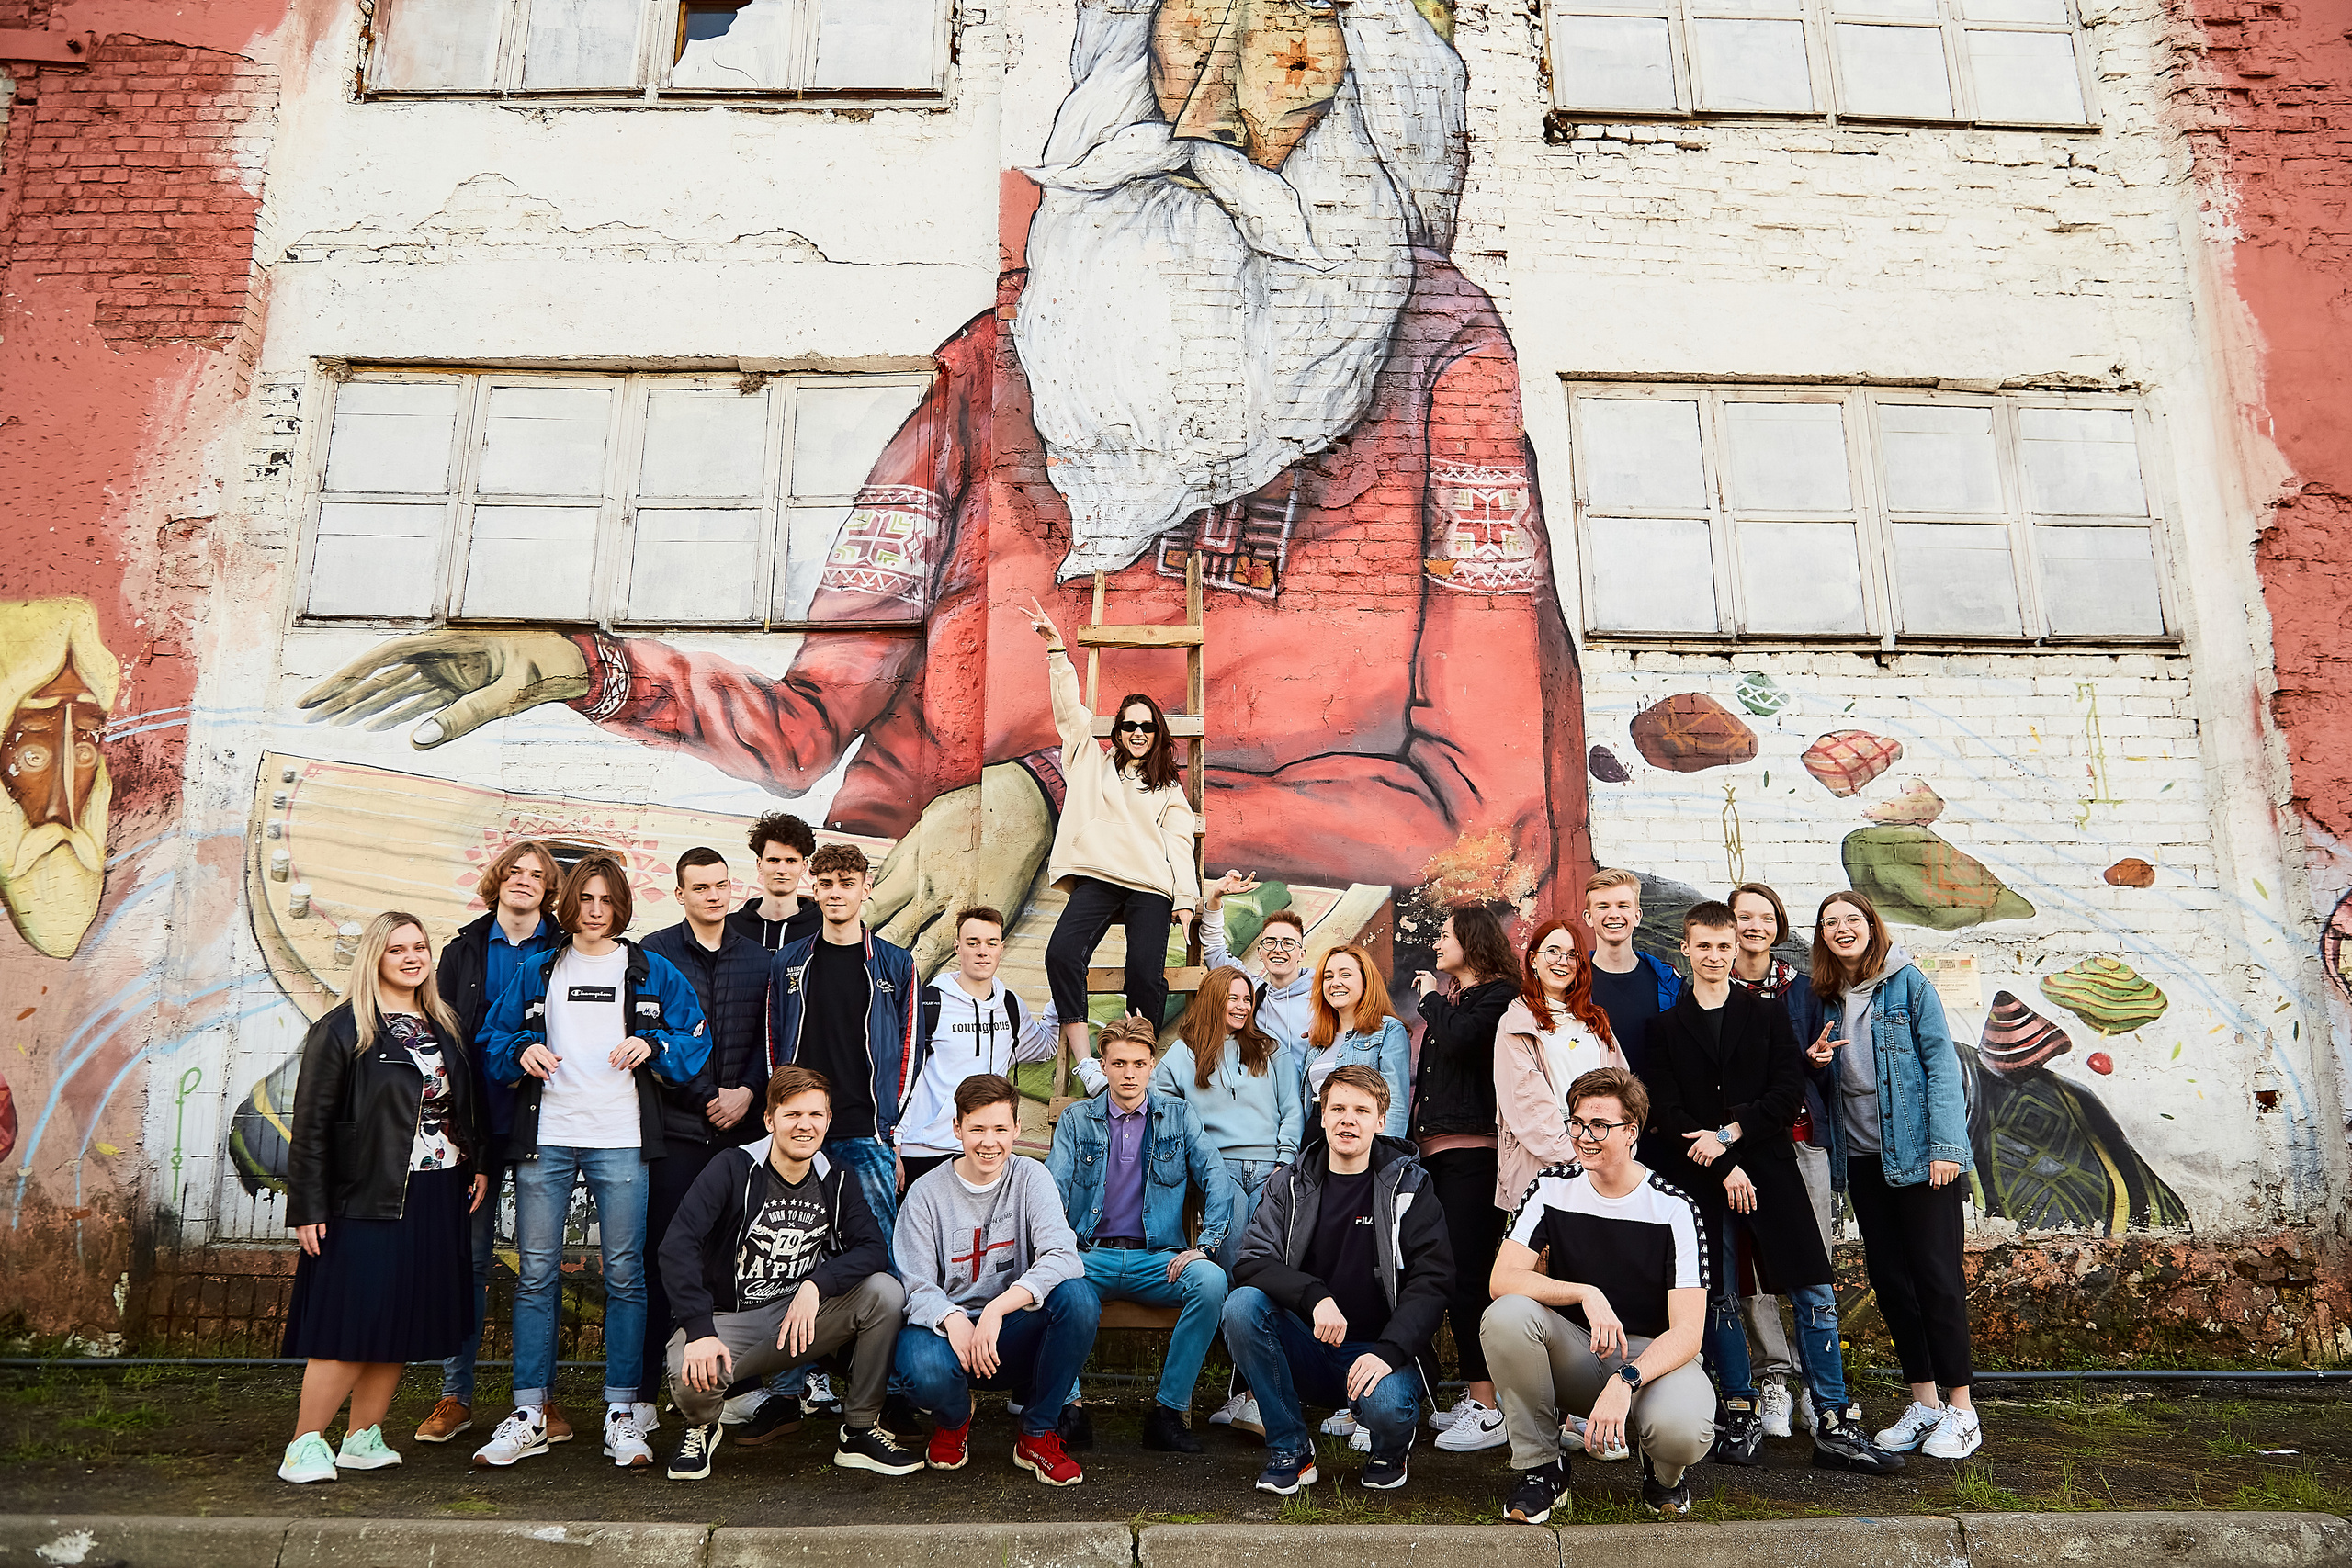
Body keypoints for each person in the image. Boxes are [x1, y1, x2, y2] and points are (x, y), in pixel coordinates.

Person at [474, 852, 711, 1472]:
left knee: (627, 1274)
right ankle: (530, 1411)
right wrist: (522, 1047)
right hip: (546, 1136)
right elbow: (492, 1042)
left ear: (622, 905)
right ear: (570, 903)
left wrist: (653, 1043)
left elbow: (695, 1042)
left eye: (607, 900)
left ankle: (621, 1413)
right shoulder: (537, 969)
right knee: (535, 1275)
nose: (596, 910)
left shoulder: (651, 971)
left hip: (622, 1138)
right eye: (586, 899)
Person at [1645, 902, 1899, 1475]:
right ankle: (1740, 1408)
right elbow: (1665, 1112)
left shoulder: (1766, 1016)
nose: (1714, 956)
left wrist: (1730, 1134)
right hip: (1704, 1178)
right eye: (1703, 946)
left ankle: (1834, 1419)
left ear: (1737, 949)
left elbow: (1787, 1094)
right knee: (1721, 1292)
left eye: (1724, 946)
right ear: (1685, 949)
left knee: (1812, 1286)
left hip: (1770, 1165)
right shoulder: (1662, 1030)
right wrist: (1720, 1166)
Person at [278, 912, 485, 1484]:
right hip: (366, 1197)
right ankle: (305, 1444)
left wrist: (479, 1161)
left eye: (420, 947)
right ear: (375, 957)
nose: (412, 957)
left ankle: (363, 1437)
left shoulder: (445, 1025)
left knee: (398, 1320)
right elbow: (313, 1124)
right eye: (397, 949)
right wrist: (308, 1207)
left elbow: (464, 1107)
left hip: (437, 1189)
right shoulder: (344, 1028)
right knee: (353, 1320)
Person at [657, 1065, 919, 1483]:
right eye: (793, 1114)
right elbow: (678, 1245)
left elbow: (871, 1249)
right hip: (732, 1319)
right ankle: (702, 1427)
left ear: (828, 1120)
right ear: (769, 1119)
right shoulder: (733, 1167)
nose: (805, 1126)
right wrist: (700, 1330)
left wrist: (818, 1284)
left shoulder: (836, 1178)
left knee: (885, 1292)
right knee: (686, 1373)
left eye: (815, 1115)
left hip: (803, 1317)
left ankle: (860, 1430)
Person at [1481, 1066, 1713, 1525]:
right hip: (1580, 1350)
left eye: (1600, 1126)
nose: (1585, 1136)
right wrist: (1584, 1293)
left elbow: (1689, 1333)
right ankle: (1541, 1469)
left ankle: (1663, 1477)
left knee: (1683, 1431)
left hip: (1652, 1360)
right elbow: (1501, 1279)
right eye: (1577, 1123)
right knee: (1507, 1315)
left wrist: (1626, 1379)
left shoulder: (1675, 1208)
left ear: (1631, 1133)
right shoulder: (1550, 1188)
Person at [1807, 890, 1983, 1461]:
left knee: (1936, 1279)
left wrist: (1946, 1149)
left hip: (1922, 1159)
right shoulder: (1828, 999)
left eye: (1851, 919)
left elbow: (1942, 1067)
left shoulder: (1910, 984)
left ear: (1871, 926)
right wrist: (1815, 1062)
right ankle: (1925, 1403)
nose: (1841, 928)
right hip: (1862, 1161)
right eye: (1831, 923)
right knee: (1890, 1282)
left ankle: (1962, 1410)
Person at [1222, 1065, 1451, 1496]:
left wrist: (1388, 1351)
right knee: (1241, 1306)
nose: (1349, 1119)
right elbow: (1251, 1260)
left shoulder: (1410, 1187)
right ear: (1322, 1114)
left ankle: (1389, 1450)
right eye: (1338, 1108)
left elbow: (1434, 1279)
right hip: (1310, 1347)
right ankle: (1291, 1449)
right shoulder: (1290, 1184)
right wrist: (1313, 1296)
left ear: (1381, 1121)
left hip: (1382, 1353)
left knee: (1386, 1406)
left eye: (1362, 1110)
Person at [418, 839, 562, 1448]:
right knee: (469, 1263)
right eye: (515, 872)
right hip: (473, 1129)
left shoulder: (566, 951)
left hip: (543, 1127)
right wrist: (455, 1127)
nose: (524, 881)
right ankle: (457, 1394)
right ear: (497, 881)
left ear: (550, 890)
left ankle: (539, 1402)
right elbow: (444, 1043)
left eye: (537, 875)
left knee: (540, 1268)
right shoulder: (463, 950)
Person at [1044, 1016, 1237, 1451]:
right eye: (1118, 1064)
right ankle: (1071, 1410)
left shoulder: (1178, 1116)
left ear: (1152, 1065)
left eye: (1138, 1063)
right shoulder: (1078, 1121)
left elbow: (1217, 1180)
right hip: (1090, 1256)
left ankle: (1168, 1414)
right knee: (1047, 1283)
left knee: (1211, 1282)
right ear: (1104, 1065)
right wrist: (1058, 1250)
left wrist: (1204, 1247)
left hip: (1158, 1259)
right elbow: (1050, 1189)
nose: (1129, 1074)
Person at [894, 1074, 1097, 1486]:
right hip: (948, 1335)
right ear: (957, 1129)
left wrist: (997, 1308)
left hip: (1010, 1332)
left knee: (1080, 1299)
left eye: (1001, 1129)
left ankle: (1037, 1434)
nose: (990, 1142)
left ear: (1017, 1129)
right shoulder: (925, 1193)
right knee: (921, 1368)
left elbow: (1063, 1255)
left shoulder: (1031, 1178)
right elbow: (914, 1284)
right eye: (978, 1129)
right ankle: (953, 1420)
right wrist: (954, 1320)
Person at [1025, 599, 1200, 1070]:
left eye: (1147, 726)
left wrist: (1185, 899)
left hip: (1149, 886)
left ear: (1157, 733)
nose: (1138, 732)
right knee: (1061, 954)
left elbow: (1180, 844)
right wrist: (1057, 651)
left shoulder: (1167, 787)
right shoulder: (1089, 762)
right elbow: (1070, 713)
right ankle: (1085, 1061)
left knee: (1146, 974)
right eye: (1129, 725)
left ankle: (1135, 1063)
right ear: (1118, 732)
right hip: (1099, 877)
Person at [640, 848, 775, 1438]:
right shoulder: (654, 954)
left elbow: (769, 1039)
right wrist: (701, 1096)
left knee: (735, 1265)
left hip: (740, 1138)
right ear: (681, 894)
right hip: (676, 1131)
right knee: (663, 1257)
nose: (713, 896)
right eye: (700, 887)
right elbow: (650, 1033)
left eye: (721, 885)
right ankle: (643, 1393)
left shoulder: (762, 961)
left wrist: (747, 1091)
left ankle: (732, 1388)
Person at [1150, 965, 1300, 1433]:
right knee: (1238, 1273)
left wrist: (1285, 1160)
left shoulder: (1269, 1049)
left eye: (1247, 999)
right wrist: (1198, 1158)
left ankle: (1257, 1392)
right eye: (1232, 998)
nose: (1241, 1006)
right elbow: (1158, 1105)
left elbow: (1293, 1109)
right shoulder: (1183, 1053)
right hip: (1220, 1173)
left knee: (1271, 1273)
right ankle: (1255, 1395)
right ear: (1213, 999)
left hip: (1273, 1170)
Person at [1407, 902, 1521, 1453]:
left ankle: (1489, 1406)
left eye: (1445, 936)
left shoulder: (1497, 997)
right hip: (1438, 1155)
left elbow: (1461, 1041)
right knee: (1446, 1273)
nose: (1436, 944)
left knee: (1470, 1276)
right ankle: (1479, 1397)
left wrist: (1430, 999)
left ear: (1471, 942)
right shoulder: (1459, 1001)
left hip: (1473, 1157)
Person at [1725, 880, 1837, 1438]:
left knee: (1809, 1263)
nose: (1755, 927)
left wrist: (1813, 1061)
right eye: (1744, 917)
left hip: (1799, 1139)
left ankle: (1821, 1390)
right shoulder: (1714, 989)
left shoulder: (1803, 990)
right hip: (1743, 1149)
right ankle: (1774, 1377)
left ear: (1779, 925)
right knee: (1752, 1266)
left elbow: (1819, 1066)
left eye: (1765, 917)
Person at [767, 841, 918, 1233]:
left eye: (847, 883)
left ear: (865, 888)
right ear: (814, 889)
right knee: (795, 1242)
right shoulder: (789, 962)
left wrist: (887, 1123)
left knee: (878, 1246)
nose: (836, 892)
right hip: (801, 1128)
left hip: (864, 1129)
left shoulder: (896, 963)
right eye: (827, 883)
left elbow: (909, 1049)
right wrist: (781, 1112)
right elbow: (773, 1038)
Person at [899, 904, 1072, 1192]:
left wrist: (1061, 997)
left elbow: (1043, 1048)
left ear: (1001, 948)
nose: (983, 951)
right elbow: (900, 1077)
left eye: (991, 943)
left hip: (984, 1149)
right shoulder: (928, 1003)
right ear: (957, 947)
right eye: (973, 943)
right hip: (926, 1149)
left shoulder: (1010, 1005)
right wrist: (895, 1143)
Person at [1583, 870, 1682, 1087]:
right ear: (1588, 918)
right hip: (1594, 1114)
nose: (1613, 914)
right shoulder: (1572, 984)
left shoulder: (1668, 983)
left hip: (1657, 1115)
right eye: (1603, 906)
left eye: (1623, 905)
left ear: (1637, 916)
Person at [1300, 945, 1411, 1137]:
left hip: (1360, 1135)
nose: (1335, 982)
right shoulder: (1317, 1040)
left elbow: (1396, 1104)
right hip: (1316, 1136)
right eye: (1328, 976)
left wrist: (1385, 1156)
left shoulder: (1388, 1030)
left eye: (1345, 975)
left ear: (1365, 982)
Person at [1200, 871, 1315, 1053]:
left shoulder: (1324, 993)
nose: (1278, 949)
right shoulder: (1252, 992)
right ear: (1260, 952)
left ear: (1301, 954)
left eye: (1288, 943)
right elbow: (1214, 950)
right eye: (1270, 942)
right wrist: (1215, 898)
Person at [728, 811, 821, 953]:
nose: (781, 870)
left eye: (791, 861)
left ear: (804, 866)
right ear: (759, 864)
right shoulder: (728, 928)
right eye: (773, 860)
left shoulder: (823, 929)